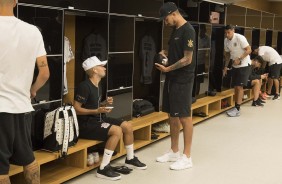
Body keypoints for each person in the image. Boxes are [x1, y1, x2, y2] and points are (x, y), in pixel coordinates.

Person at [73, 56, 147, 181]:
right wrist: (96, 110)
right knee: (117, 130)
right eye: (101, 66)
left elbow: (93, 105)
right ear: (94, 70)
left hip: (99, 118)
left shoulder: (98, 85)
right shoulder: (84, 86)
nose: (104, 68)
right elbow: (76, 109)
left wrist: (103, 104)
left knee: (127, 126)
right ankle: (103, 168)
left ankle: (130, 159)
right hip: (86, 124)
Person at [0, 0, 50, 183]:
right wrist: (32, 91)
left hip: (0, 110)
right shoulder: (32, 31)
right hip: (22, 107)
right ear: (15, 2)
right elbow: (44, 73)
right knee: (28, 159)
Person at [155, 2, 196, 170]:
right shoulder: (176, 30)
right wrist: (165, 53)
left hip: (183, 80)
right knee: (172, 115)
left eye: (166, 19)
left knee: (184, 117)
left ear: (173, 14)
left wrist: (167, 68)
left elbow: (188, 58)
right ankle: (174, 151)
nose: (165, 23)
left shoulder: (188, 30)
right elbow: (176, 51)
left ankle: (187, 157)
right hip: (172, 78)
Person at [223, 25, 252, 117]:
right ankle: (236, 107)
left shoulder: (240, 37)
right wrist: (225, 67)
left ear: (233, 31)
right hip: (235, 65)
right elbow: (227, 54)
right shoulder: (226, 41)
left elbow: (249, 50)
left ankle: (238, 109)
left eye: (229, 32)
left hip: (244, 65)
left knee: (239, 87)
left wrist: (239, 59)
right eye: (225, 33)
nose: (227, 35)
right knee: (235, 87)